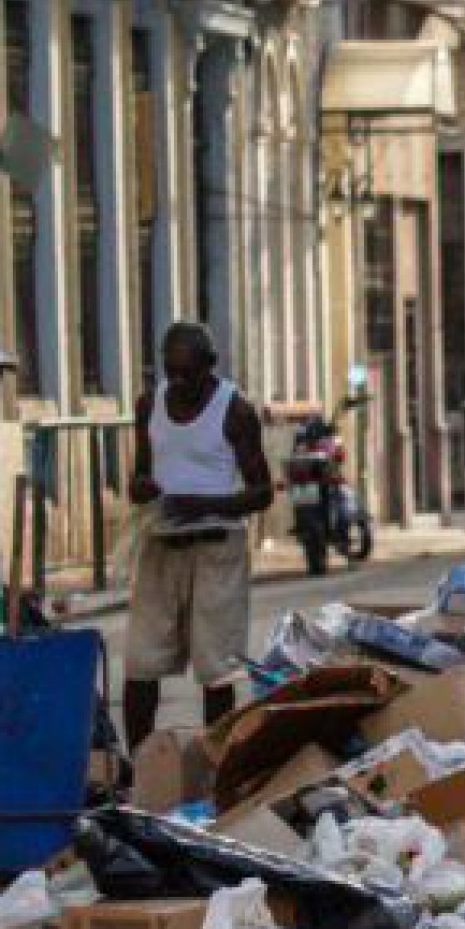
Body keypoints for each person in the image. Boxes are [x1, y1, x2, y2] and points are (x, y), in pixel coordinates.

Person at [122, 321, 272, 752]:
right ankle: (140, 765)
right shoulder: (149, 405)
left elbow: (262, 492)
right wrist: (141, 488)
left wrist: (203, 505)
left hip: (216, 548)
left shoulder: (235, 411)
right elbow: (140, 474)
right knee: (140, 662)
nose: (179, 382)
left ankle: (216, 763)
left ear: (211, 366)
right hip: (161, 543)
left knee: (216, 668)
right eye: (171, 372)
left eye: (188, 373)